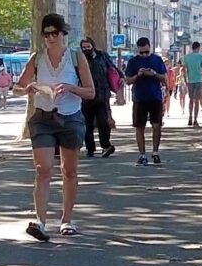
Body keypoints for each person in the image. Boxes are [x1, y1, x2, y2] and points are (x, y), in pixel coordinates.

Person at [11, 13, 92, 240]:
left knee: (69, 170)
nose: (50, 38)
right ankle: (41, 222)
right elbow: (17, 87)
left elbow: (91, 91)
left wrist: (70, 87)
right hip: (43, 118)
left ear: (63, 33)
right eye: (46, 34)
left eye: (54, 33)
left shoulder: (76, 58)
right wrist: (27, 90)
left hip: (70, 117)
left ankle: (67, 220)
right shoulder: (37, 58)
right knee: (43, 169)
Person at [125, 36, 169, 165]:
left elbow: (164, 78)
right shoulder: (133, 62)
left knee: (157, 125)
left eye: (146, 52)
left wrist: (154, 74)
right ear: (138, 50)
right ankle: (142, 155)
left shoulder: (157, 60)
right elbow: (128, 81)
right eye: (141, 52)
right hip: (139, 98)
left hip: (155, 97)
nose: (144, 55)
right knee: (139, 127)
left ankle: (155, 152)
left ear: (150, 48)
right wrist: (137, 75)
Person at [77, 36, 120, 158]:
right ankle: (90, 148)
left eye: (88, 47)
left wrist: (120, 78)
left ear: (93, 46)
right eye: (83, 48)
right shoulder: (80, 59)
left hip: (102, 95)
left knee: (104, 122)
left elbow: (112, 68)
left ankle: (106, 146)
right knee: (87, 124)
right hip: (86, 97)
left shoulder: (102, 56)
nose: (86, 49)